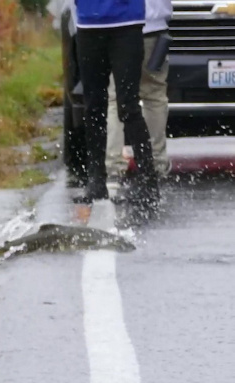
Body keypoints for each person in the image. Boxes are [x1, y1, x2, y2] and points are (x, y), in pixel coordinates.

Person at [73, 0, 161, 221]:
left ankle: (148, 180)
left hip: (127, 23)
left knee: (128, 106)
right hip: (88, 22)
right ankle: (96, 179)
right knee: (93, 105)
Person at [105, 0, 172, 186]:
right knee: (154, 96)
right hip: (154, 28)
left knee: (115, 98)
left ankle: (113, 164)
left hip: (118, 27)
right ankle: (157, 162)